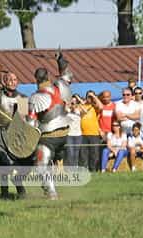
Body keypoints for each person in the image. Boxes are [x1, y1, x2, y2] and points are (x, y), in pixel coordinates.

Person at [27, 67, 72, 200]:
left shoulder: (35, 97)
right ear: (48, 76)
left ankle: (51, 193)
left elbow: (31, 123)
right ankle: (50, 188)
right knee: (48, 163)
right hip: (64, 134)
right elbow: (67, 76)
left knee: (41, 165)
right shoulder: (60, 87)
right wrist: (61, 63)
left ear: (36, 79)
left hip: (49, 135)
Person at [78, 90, 102, 171]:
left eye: (91, 96)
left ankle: (94, 171)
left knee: (94, 155)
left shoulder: (95, 107)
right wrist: (82, 102)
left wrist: (94, 97)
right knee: (83, 155)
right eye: (88, 96)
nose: (90, 98)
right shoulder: (81, 106)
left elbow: (101, 107)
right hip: (82, 134)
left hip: (94, 134)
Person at [65, 95, 82, 167]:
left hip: (78, 135)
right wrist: (69, 103)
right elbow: (65, 106)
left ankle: (75, 166)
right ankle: (71, 167)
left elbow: (85, 110)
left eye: (75, 102)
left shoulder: (79, 110)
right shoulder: (67, 111)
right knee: (70, 152)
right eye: (72, 102)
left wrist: (79, 100)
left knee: (76, 152)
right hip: (69, 135)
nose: (73, 103)